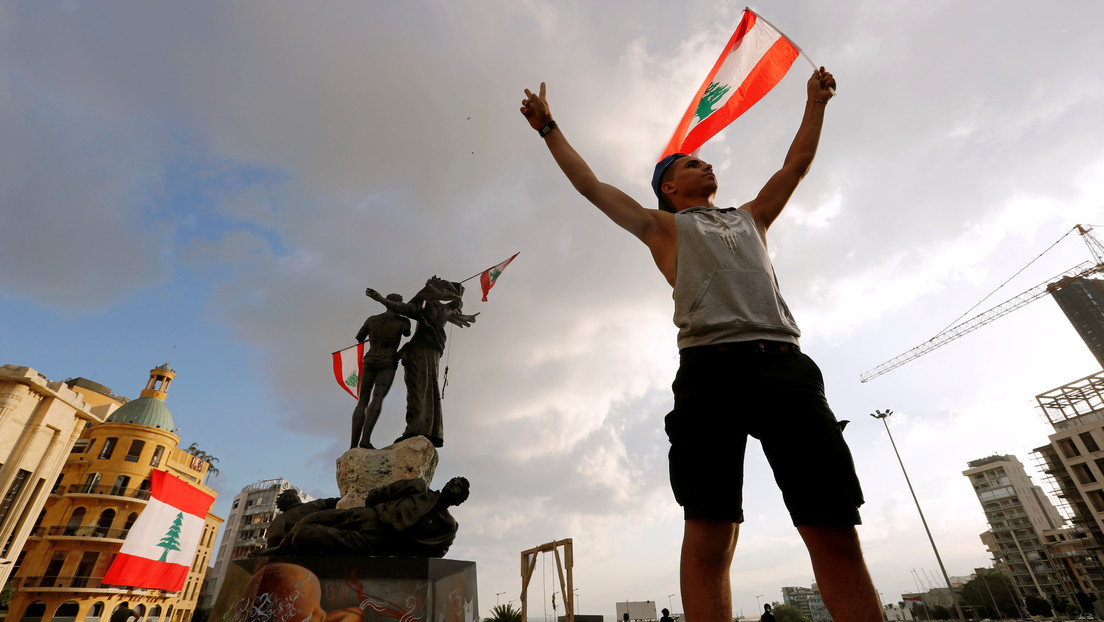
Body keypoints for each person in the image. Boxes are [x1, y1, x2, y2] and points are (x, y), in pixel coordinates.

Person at [520, 69, 881, 622]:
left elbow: (796, 166)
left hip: (784, 366)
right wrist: (550, 131)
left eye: (705, 161)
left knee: (831, 524)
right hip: (709, 373)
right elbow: (590, 185)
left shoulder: (752, 218)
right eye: (692, 163)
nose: (706, 163)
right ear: (670, 186)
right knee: (712, 528)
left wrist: (814, 102)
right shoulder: (659, 227)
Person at [365, 278, 477, 448]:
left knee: (417, 388)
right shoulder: (445, 310)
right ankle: (432, 431)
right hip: (433, 353)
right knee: (430, 389)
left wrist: (380, 298)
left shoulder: (427, 308)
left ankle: (414, 429)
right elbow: (454, 307)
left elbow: (402, 308)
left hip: (419, 352)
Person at [350, 292, 411, 449]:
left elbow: (359, 338)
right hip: (388, 361)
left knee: (362, 401)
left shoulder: (372, 319)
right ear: (398, 304)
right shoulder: (404, 322)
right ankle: (365, 440)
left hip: (370, 359)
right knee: (377, 397)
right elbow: (407, 333)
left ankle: (353, 445)